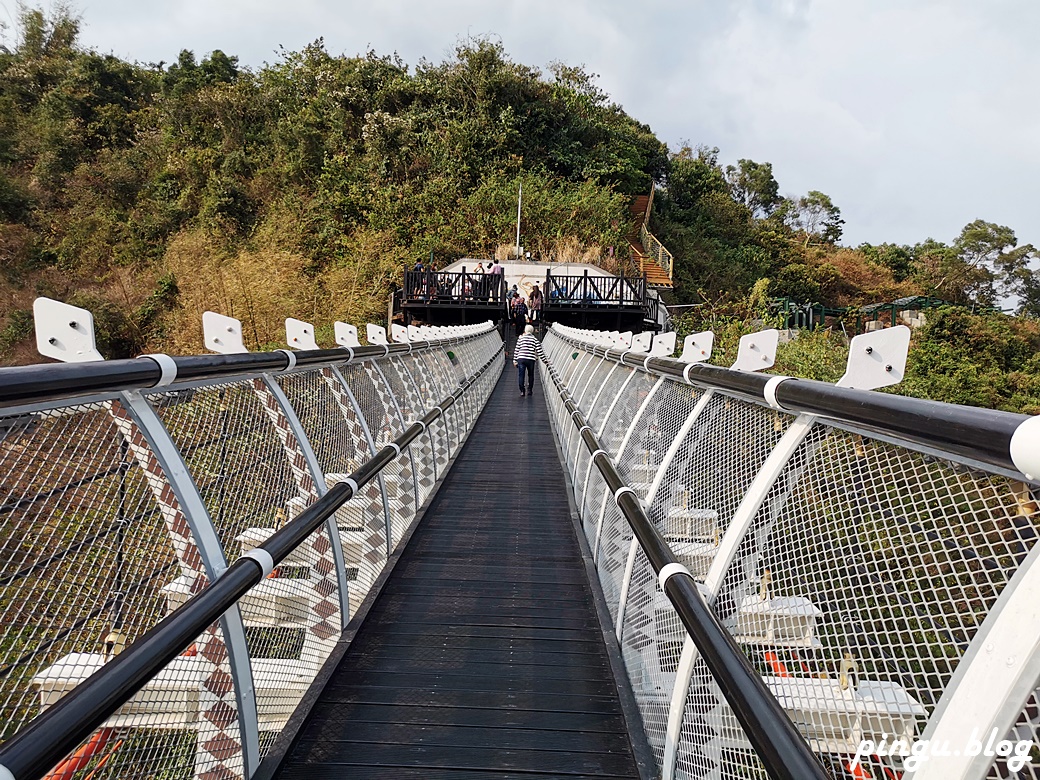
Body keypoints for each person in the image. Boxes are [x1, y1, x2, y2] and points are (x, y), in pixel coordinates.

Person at [513, 324, 546, 397]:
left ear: (525, 330)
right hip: (531, 359)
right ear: (532, 331)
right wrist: (545, 361)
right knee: (530, 375)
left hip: (521, 358)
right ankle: (530, 390)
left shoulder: (520, 339)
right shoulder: (535, 339)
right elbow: (539, 351)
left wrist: (514, 360)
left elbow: (517, 350)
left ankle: (522, 391)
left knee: (521, 375)